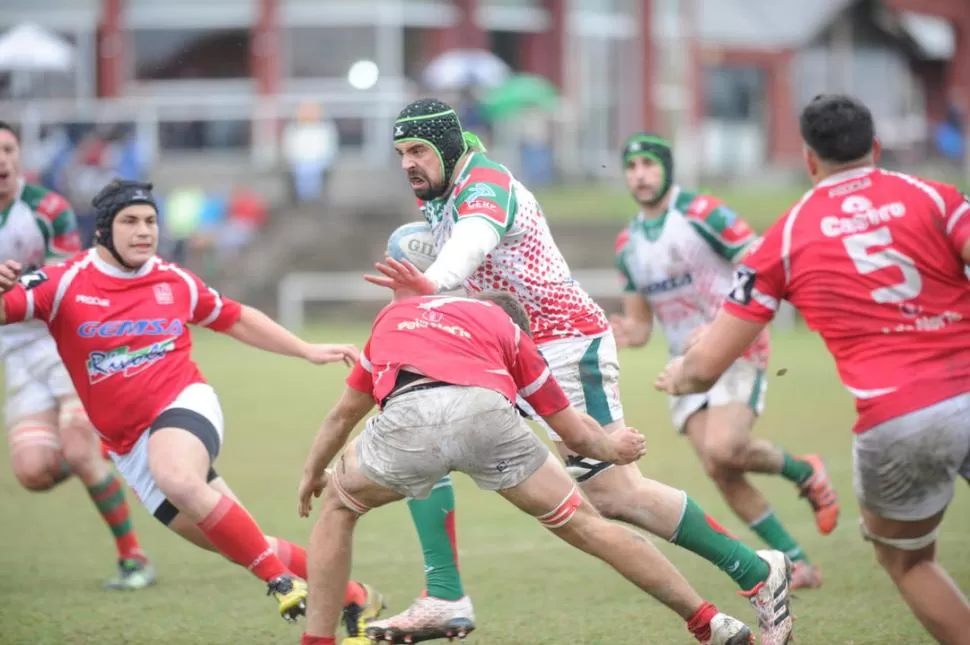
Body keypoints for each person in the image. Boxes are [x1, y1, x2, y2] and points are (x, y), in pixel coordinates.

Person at [362, 98, 793, 645]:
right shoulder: (440, 196)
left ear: (447, 147)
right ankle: (443, 595)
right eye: (400, 152)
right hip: (505, 351)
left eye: (418, 150)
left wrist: (437, 278)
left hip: (565, 343)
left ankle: (758, 573)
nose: (408, 162)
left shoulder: (484, 182)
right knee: (425, 421)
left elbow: (475, 240)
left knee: (616, 495)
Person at [0, 179, 383, 642]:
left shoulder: (171, 279)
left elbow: (235, 317)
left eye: (150, 221)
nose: (144, 231)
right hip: (129, 448)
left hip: (183, 404)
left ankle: (277, 582)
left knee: (180, 478)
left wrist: (304, 349)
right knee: (245, 541)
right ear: (103, 230)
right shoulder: (64, 284)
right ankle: (355, 596)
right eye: (130, 222)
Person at [656, 93, 970, 645]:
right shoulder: (936, 198)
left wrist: (679, 376)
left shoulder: (787, 235)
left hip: (897, 418)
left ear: (808, 159)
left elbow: (706, 368)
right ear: (875, 147)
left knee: (910, 561)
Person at [297, 292, 758, 645]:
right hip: (485, 415)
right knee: (588, 525)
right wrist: (615, 450)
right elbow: (576, 435)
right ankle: (708, 621)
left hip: (407, 415)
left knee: (339, 508)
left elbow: (342, 416)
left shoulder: (395, 315)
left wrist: (312, 474)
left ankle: (317, 640)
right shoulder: (511, 333)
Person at [611, 132, 836, 589]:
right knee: (721, 469)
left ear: (667, 168)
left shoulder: (701, 214)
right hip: (684, 364)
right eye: (632, 168)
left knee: (723, 447)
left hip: (736, 342)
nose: (640, 175)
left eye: (649, 164)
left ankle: (803, 471)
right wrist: (616, 332)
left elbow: (759, 260)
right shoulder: (627, 244)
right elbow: (639, 326)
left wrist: (719, 323)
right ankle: (798, 564)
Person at [0, 121, 156, 589]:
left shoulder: (47, 209)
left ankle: (134, 559)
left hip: (62, 345)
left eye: (8, 149)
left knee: (77, 449)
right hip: (16, 356)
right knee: (33, 473)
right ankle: (104, 448)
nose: (1, 161)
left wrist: (18, 280)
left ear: (20, 154)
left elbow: (67, 279)